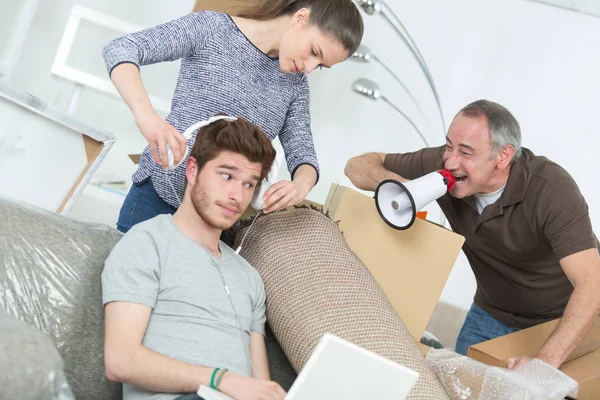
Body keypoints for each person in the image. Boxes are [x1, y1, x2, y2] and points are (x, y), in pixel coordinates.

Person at [344, 100, 600, 370]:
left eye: (466, 152)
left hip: (560, 322)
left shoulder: (551, 190)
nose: (451, 161)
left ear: (503, 156)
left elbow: (592, 283)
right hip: (491, 312)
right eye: (448, 146)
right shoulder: (442, 167)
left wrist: (545, 363)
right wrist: (411, 187)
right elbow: (357, 166)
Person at [102, 0, 364, 233]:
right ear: (300, 18)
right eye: (314, 52)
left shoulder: (295, 86)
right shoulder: (213, 29)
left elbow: (302, 153)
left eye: (320, 66)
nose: (308, 68)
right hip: (156, 201)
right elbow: (122, 49)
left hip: (216, 226)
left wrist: (300, 186)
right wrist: (147, 118)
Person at [101, 116, 285, 400]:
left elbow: (259, 383)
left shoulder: (250, 278)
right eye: (226, 176)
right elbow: (121, 361)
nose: (237, 195)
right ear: (192, 170)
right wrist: (220, 379)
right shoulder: (146, 242)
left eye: (250, 185)